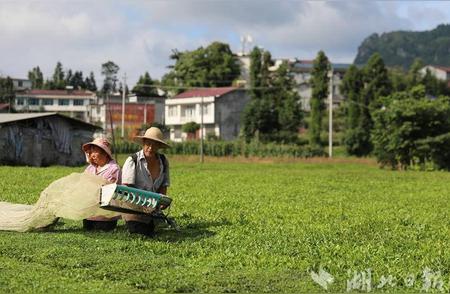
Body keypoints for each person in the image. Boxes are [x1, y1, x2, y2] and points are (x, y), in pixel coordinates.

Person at [121, 127, 170, 236]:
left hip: (153, 210)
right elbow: (126, 190)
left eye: (155, 145)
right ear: (143, 143)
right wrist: (143, 205)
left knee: (155, 231)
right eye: (148, 144)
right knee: (140, 232)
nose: (151, 148)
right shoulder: (132, 160)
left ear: (159, 146)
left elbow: (164, 185)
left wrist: (163, 201)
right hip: (134, 208)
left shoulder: (163, 161)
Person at [82, 137, 121, 231]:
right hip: (89, 215)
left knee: (102, 229)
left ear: (105, 153)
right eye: (91, 152)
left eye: (95, 151)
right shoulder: (90, 169)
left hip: (106, 216)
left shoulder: (114, 169)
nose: (92, 155)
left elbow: (110, 192)